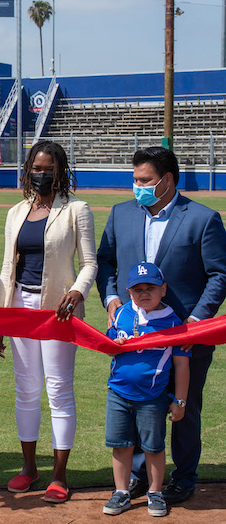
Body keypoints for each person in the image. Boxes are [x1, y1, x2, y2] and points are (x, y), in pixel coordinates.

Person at [97, 146, 226, 505]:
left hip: (186, 338)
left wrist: (196, 321)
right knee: (136, 406)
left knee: (184, 409)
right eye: (134, 179)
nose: (136, 186)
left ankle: (184, 479)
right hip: (133, 338)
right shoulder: (121, 214)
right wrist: (111, 299)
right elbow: (105, 263)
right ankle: (137, 478)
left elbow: (220, 274)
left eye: (144, 180)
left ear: (167, 180)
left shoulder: (203, 218)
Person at [0, 140, 97, 503]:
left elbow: (90, 263)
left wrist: (79, 291)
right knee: (27, 390)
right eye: (36, 168)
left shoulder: (76, 209)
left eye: (49, 169)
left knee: (58, 391)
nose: (41, 174)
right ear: (27, 170)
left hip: (58, 312)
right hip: (20, 306)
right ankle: (28, 468)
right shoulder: (15, 212)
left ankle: (59, 475)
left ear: (61, 171)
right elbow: (7, 270)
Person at [102, 262, 190, 518]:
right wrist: (114, 343)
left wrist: (180, 401)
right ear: (128, 292)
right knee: (121, 446)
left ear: (163, 289)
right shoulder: (122, 314)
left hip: (153, 398)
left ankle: (155, 492)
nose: (144, 294)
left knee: (153, 448)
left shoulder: (173, 322)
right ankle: (122, 491)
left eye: (150, 288)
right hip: (118, 393)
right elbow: (108, 346)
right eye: (137, 289)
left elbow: (181, 364)